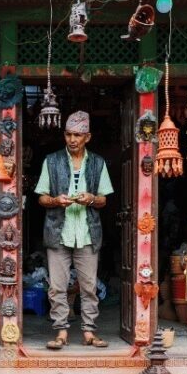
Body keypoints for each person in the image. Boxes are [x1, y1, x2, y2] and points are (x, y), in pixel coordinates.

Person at [36, 110, 113, 349]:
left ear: (87, 137)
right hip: (59, 232)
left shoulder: (98, 162)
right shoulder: (51, 160)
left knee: (89, 286)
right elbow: (41, 198)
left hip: (88, 233)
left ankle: (89, 332)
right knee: (57, 286)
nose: (72, 140)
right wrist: (55, 201)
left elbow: (103, 200)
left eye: (78, 135)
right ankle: (61, 333)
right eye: (69, 134)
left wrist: (90, 198)